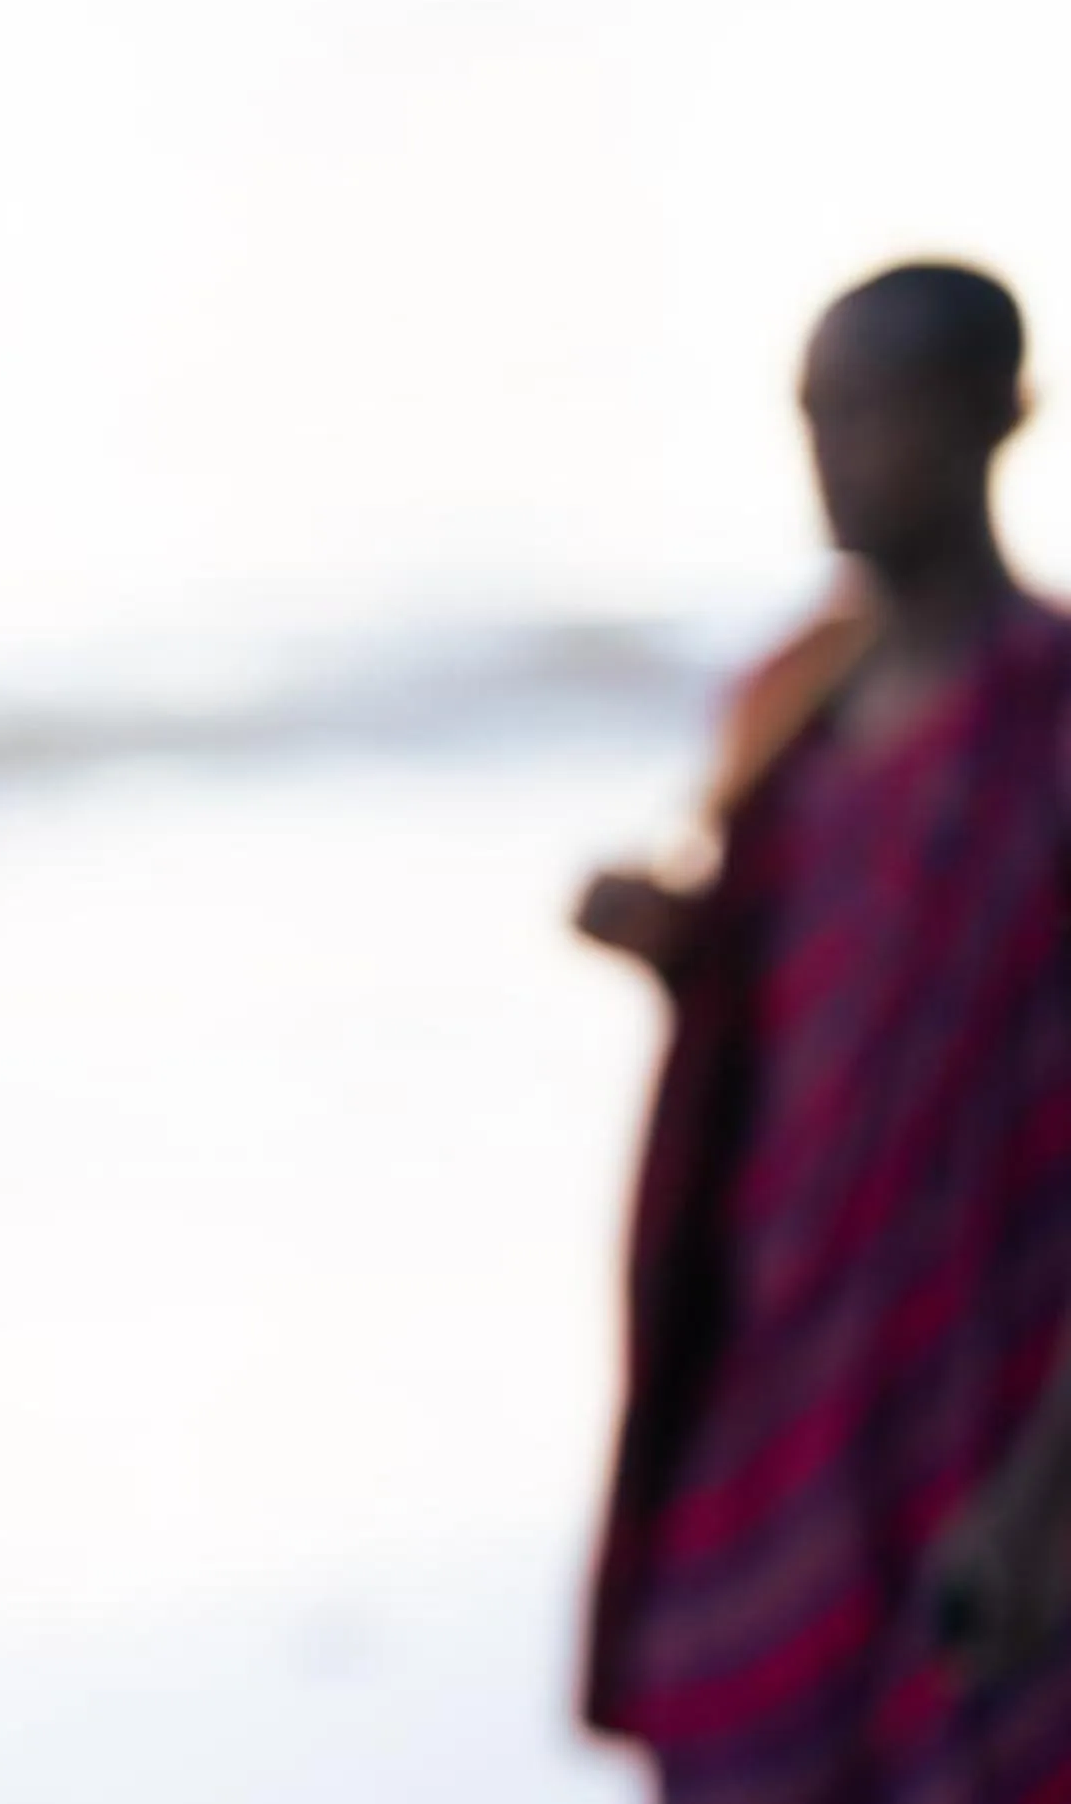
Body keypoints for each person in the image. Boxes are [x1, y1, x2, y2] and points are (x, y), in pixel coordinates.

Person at [579, 263, 1071, 1798]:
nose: (838, 449)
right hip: (784, 1372)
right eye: (817, 412)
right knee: (738, 1713)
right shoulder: (789, 701)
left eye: (875, 409)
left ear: (999, 415)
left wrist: (1047, 1496)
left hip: (990, 1381)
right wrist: (681, 954)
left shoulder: (1052, 718)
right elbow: (799, 1021)